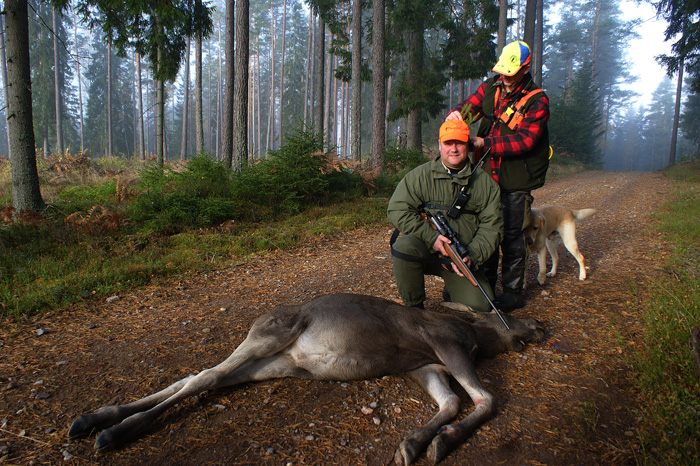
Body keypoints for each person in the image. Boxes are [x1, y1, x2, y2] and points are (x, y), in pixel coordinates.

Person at [445, 40, 550, 312]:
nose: (504, 76)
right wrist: (457, 115)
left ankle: (514, 292)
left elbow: (526, 141)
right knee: (486, 231)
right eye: (502, 70)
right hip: (486, 177)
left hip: (516, 179)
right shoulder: (491, 86)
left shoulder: (537, 100)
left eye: (510, 72)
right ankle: (487, 287)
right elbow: (470, 107)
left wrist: (485, 144)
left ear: (525, 69)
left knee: (512, 236)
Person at [387, 119, 503, 312]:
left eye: (459, 143)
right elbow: (397, 209)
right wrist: (431, 237)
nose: (454, 149)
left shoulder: (486, 184)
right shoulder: (419, 176)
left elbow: (492, 228)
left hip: (462, 256)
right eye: (448, 143)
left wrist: (472, 255)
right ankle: (414, 310)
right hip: (426, 250)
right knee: (403, 248)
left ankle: (451, 291)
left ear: (468, 145)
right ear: (440, 145)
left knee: (480, 308)